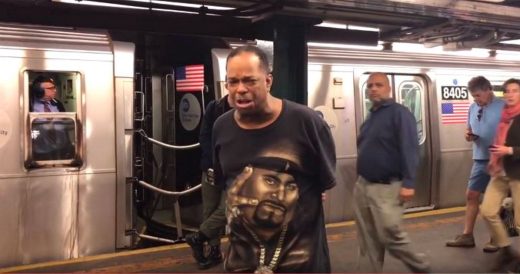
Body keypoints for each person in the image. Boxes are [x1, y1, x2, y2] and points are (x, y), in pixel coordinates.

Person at [212, 45, 336, 273]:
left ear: (268, 81)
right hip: (241, 266)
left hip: (303, 266)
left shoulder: (306, 123)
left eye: (250, 81)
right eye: (233, 81)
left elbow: (323, 183)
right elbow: (226, 186)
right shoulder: (221, 127)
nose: (240, 89)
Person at [353, 72, 430, 273]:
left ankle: (421, 266)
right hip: (363, 185)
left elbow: (410, 148)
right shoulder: (372, 115)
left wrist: (409, 183)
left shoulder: (400, 113)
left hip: (387, 186)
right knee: (367, 237)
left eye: (378, 85)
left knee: (390, 233)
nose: (373, 89)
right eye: (370, 86)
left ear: (389, 88)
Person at [446, 76, 504, 252]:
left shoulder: (503, 107)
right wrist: (468, 135)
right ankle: (467, 235)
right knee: (471, 195)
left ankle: (496, 238)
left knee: (496, 202)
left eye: (478, 95)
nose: (476, 99)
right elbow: (468, 130)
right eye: (473, 96)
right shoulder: (472, 108)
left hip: (500, 160)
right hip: (480, 158)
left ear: (488, 90)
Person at [185, 94, 232, 269]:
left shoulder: (247, 109)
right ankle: (214, 253)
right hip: (211, 167)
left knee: (228, 208)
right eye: (233, 81)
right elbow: (204, 136)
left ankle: (198, 237)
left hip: (233, 170)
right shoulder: (215, 107)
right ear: (227, 85)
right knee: (210, 208)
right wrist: (214, 162)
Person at [480, 78, 520, 272]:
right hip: (500, 171)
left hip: (518, 173)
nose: (510, 94)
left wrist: (510, 150)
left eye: (515, 91)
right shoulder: (505, 115)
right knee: (487, 210)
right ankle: (506, 250)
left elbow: (509, 146)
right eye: (507, 91)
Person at [29, 76, 72, 161]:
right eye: (51, 88)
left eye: (54, 88)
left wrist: (68, 145)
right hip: (39, 152)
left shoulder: (57, 104)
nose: (55, 90)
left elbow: (64, 125)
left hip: (61, 149)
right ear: (39, 91)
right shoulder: (29, 106)